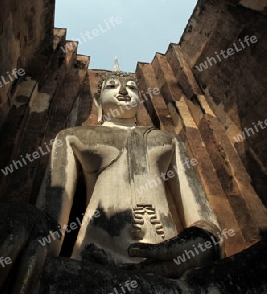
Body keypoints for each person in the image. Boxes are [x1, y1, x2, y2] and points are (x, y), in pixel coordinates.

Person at [36, 68, 223, 277]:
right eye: (112, 86)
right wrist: (34, 246)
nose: (124, 91)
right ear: (98, 101)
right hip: (91, 261)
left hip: (167, 263)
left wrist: (202, 244)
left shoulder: (167, 140)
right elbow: (49, 219)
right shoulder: (73, 137)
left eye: (132, 87)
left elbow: (204, 220)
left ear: (140, 102)